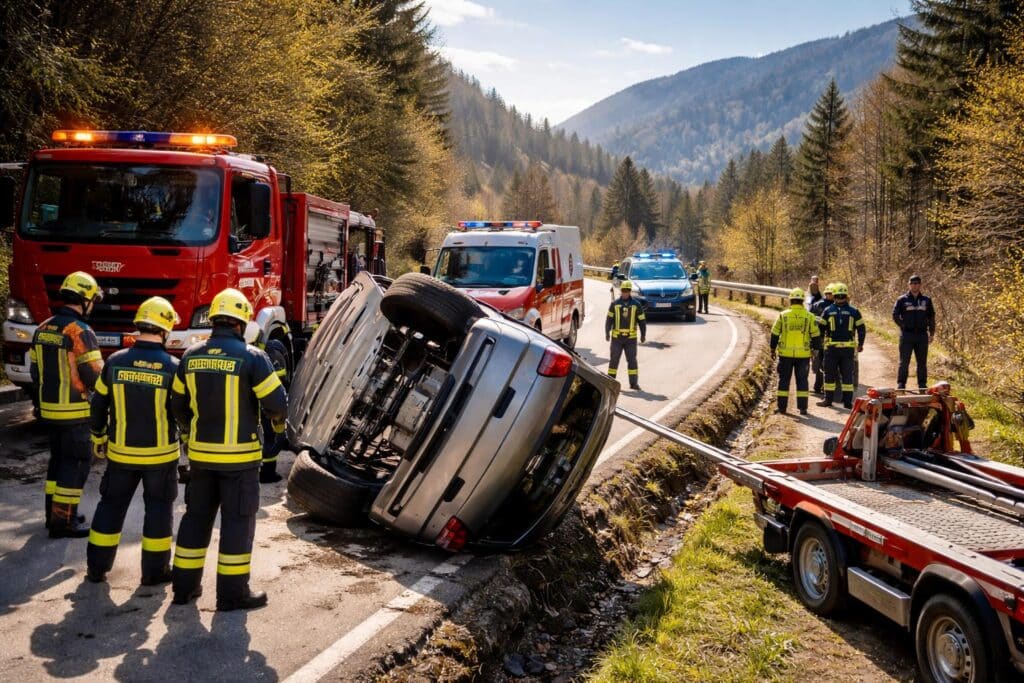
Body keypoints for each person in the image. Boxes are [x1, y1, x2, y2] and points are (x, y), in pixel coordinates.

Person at [169, 288, 288, 611]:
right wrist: (276, 426)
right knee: (236, 525)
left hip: (201, 458)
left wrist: (189, 432)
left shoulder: (190, 356)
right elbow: (277, 404)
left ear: (215, 321)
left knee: (195, 520)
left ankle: (183, 588)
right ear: (240, 322)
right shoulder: (253, 357)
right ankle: (232, 594)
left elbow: (177, 404)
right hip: (241, 461)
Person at [86, 297, 181, 585]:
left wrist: (99, 436)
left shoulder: (114, 361)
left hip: (121, 455)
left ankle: (96, 569)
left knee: (110, 506)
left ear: (139, 325)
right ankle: (154, 573)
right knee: (159, 511)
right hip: (161, 457)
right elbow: (182, 410)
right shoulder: (173, 366)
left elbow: (98, 405)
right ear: (165, 330)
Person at [31, 271, 104, 538]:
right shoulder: (80, 332)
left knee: (58, 462)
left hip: (50, 411)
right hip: (75, 413)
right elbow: (94, 375)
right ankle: (64, 522)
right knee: (75, 465)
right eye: (92, 300)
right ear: (84, 299)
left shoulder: (43, 328)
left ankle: (54, 514)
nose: (93, 305)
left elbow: (35, 371)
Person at [244, 324, 291, 484]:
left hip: (265, 400)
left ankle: (268, 472)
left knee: (270, 435)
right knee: (268, 435)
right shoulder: (257, 355)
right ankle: (266, 472)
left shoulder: (270, 353)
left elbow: (280, 380)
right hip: (263, 400)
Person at [771, 289, 822, 415]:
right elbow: (816, 335)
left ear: (791, 300)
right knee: (802, 381)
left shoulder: (783, 315)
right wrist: (815, 350)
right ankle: (803, 408)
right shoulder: (809, 317)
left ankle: (782, 408)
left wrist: (772, 349)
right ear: (802, 301)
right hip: (803, 355)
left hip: (785, 355)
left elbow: (775, 333)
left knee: (784, 381)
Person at [817, 283, 866, 409]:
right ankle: (830, 400)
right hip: (836, 350)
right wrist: (819, 344)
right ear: (834, 296)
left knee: (846, 377)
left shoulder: (834, 311)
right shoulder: (852, 311)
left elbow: (861, 328)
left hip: (842, 350)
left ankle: (846, 402)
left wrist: (861, 343)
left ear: (846, 296)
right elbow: (821, 329)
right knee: (832, 375)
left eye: (842, 296)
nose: (840, 298)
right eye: (838, 296)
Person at [892, 274, 936, 391]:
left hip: (922, 335)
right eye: (913, 283)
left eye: (917, 283)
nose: (915, 285)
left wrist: (931, 333)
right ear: (909, 285)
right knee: (904, 361)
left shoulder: (926, 300)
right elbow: (895, 314)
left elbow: (931, 317)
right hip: (907, 335)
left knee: (922, 362)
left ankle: (922, 384)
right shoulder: (902, 299)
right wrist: (903, 325)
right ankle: (901, 384)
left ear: (920, 285)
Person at [605, 280, 646, 391]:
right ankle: (610, 382)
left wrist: (643, 335)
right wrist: (607, 332)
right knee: (614, 361)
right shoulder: (615, 304)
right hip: (617, 339)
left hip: (630, 339)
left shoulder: (636, 305)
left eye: (627, 290)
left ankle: (634, 383)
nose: (625, 292)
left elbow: (642, 321)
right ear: (621, 290)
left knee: (632, 361)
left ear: (630, 291)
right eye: (623, 290)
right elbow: (609, 319)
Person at [809, 283, 835, 394]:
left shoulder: (818, 304)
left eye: (831, 294)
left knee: (825, 364)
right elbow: (810, 319)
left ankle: (824, 387)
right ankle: (818, 387)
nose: (829, 295)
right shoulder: (819, 305)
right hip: (821, 338)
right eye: (828, 293)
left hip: (826, 339)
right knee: (820, 363)